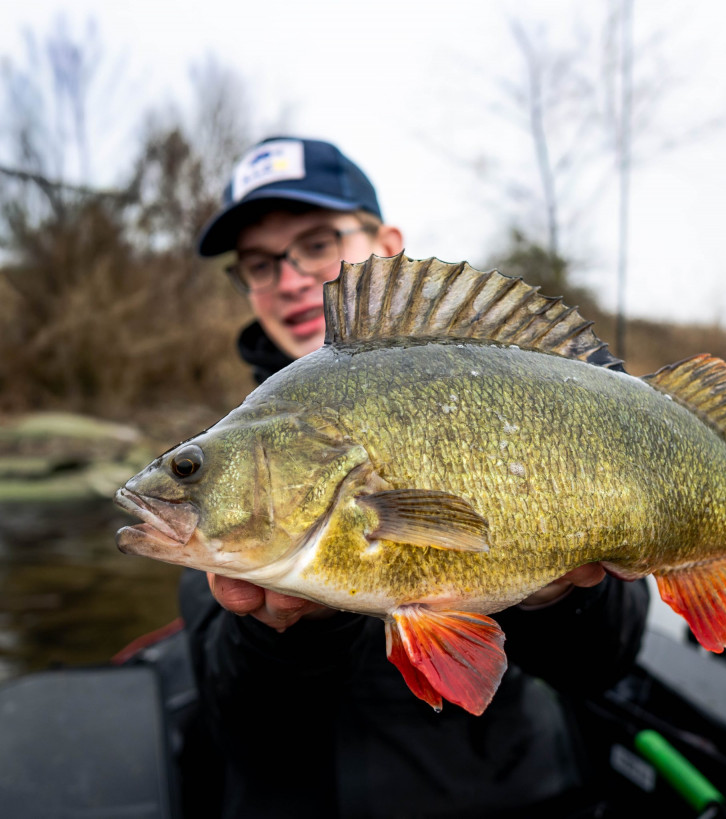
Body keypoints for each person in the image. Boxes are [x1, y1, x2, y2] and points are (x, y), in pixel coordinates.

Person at [179, 135, 650, 818]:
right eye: (257, 263)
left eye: (315, 243)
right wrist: (286, 627)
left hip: (510, 787)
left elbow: (604, 661)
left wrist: (556, 598)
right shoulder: (225, 465)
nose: (287, 278)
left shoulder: (506, 378)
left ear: (388, 244)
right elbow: (245, 731)